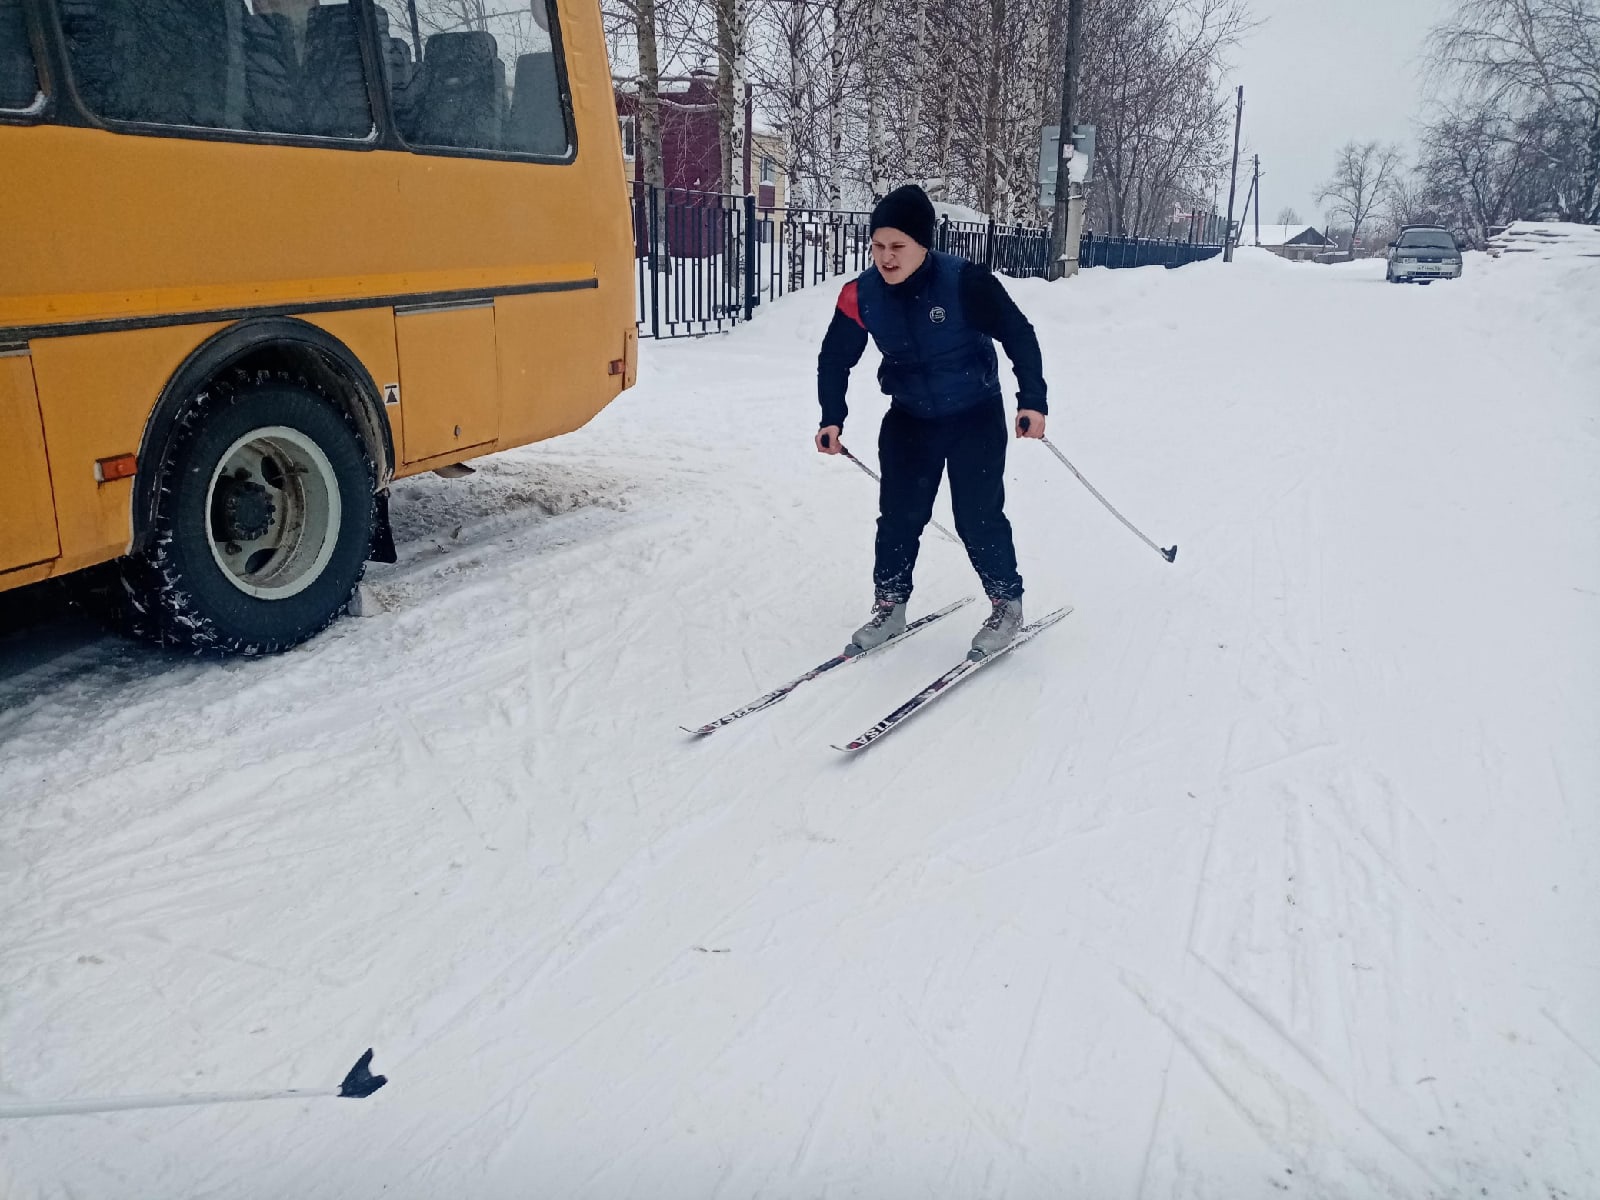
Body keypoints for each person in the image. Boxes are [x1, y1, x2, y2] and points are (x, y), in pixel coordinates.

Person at [816, 183, 1048, 658]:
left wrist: (1033, 401)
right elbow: (835, 358)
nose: (886, 256)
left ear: (924, 244)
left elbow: (1019, 334)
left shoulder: (965, 281)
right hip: (910, 419)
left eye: (898, 246)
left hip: (974, 416)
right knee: (899, 517)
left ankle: (1006, 604)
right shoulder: (860, 294)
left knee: (977, 517)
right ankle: (890, 605)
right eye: (878, 246)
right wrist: (832, 416)